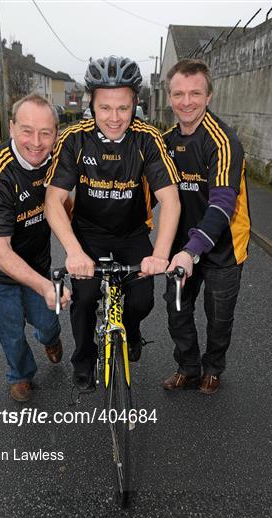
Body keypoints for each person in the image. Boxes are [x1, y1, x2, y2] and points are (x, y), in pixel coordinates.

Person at [45, 55, 181, 389]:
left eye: (124, 107)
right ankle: (84, 361)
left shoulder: (148, 138)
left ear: (136, 102)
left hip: (132, 232)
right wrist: (74, 252)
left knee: (142, 300)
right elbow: (53, 202)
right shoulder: (74, 138)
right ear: (91, 102)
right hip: (88, 234)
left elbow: (171, 200)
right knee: (85, 297)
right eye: (105, 108)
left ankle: (131, 332)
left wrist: (160, 254)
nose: (115, 118)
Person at [0, 93, 71, 402]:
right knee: (10, 330)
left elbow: (65, 204)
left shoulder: (55, 162)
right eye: (26, 130)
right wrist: (44, 286)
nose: (36, 142)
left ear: (56, 133)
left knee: (49, 320)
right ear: (11, 128)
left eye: (45, 132)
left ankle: (50, 338)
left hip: (36, 260)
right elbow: (0, 251)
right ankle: (20, 374)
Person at [162, 59, 251, 395]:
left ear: (209, 96)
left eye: (195, 93)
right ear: (169, 97)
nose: (186, 101)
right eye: (179, 93)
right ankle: (188, 367)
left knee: (219, 317)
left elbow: (222, 205)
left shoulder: (224, 141)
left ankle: (213, 367)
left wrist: (192, 250)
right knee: (177, 310)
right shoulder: (166, 141)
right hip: (180, 249)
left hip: (223, 248)